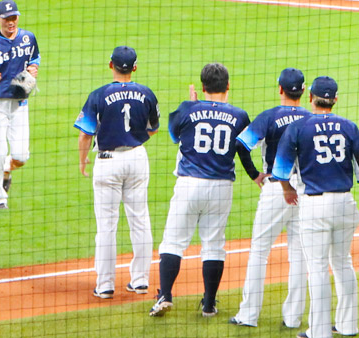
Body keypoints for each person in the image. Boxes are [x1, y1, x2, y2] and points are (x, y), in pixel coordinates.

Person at [151, 62, 254, 318]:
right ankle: (209, 304)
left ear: (202, 86)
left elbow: (176, 135)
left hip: (189, 184)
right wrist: (255, 175)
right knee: (214, 245)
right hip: (221, 187)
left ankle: (164, 295)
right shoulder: (240, 115)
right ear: (228, 86)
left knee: (173, 241)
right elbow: (243, 150)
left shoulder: (187, 109)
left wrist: (193, 105)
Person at [272, 76, 359, 338]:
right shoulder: (349, 126)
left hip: (314, 206)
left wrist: (287, 189)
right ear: (335, 99)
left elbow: (280, 169)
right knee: (342, 263)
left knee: (317, 267)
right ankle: (348, 325)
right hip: (344, 203)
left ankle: (319, 332)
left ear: (310, 97)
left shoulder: (298, 127)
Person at [76, 45, 160, 299]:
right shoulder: (146, 94)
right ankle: (141, 281)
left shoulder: (98, 95)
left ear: (110, 64)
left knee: (106, 226)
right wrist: (134, 139)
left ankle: (105, 286)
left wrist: (83, 161)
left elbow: (85, 135)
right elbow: (153, 128)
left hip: (107, 161)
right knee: (140, 220)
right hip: (137, 159)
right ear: (134, 67)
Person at [229, 68, 309, 330]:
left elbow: (241, 144)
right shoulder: (311, 118)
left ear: (280, 89)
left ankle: (248, 315)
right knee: (299, 255)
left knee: (259, 251)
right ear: (304, 92)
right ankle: (293, 318)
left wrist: (255, 175)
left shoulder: (270, 116)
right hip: (306, 191)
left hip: (277, 188)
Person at [0, 0, 40, 209]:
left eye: (14, 18)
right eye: (6, 19)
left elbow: (35, 58)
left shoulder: (28, 38)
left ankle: (5, 169)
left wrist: (33, 69)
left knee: (21, 155)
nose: (11, 22)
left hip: (19, 102)